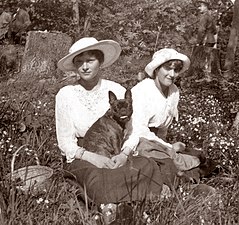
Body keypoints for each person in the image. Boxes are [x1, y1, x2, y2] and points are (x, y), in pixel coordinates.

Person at [55, 37, 174, 206]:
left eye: (90, 60)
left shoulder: (117, 90)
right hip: (84, 155)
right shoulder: (66, 94)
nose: (85, 67)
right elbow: (65, 142)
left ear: (101, 61)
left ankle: (120, 203)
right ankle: (118, 205)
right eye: (79, 62)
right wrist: (93, 158)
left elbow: (133, 131)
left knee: (147, 165)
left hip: (117, 152)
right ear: (75, 66)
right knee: (97, 178)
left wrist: (124, 154)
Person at [112, 48, 203, 176]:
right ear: (156, 69)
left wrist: (166, 145)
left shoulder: (174, 91)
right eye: (167, 68)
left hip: (156, 142)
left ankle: (183, 168)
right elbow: (137, 129)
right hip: (136, 140)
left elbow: (163, 129)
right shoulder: (143, 90)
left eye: (176, 70)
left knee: (192, 155)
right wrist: (168, 147)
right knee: (165, 160)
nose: (172, 74)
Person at [195, 0, 218, 83]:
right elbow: (215, 31)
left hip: (205, 40)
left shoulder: (204, 17)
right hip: (211, 40)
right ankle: (208, 77)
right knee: (208, 58)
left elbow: (201, 30)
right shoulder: (211, 16)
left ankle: (206, 78)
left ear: (205, 7)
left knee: (203, 59)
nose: (199, 8)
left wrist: (198, 41)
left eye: (201, 6)